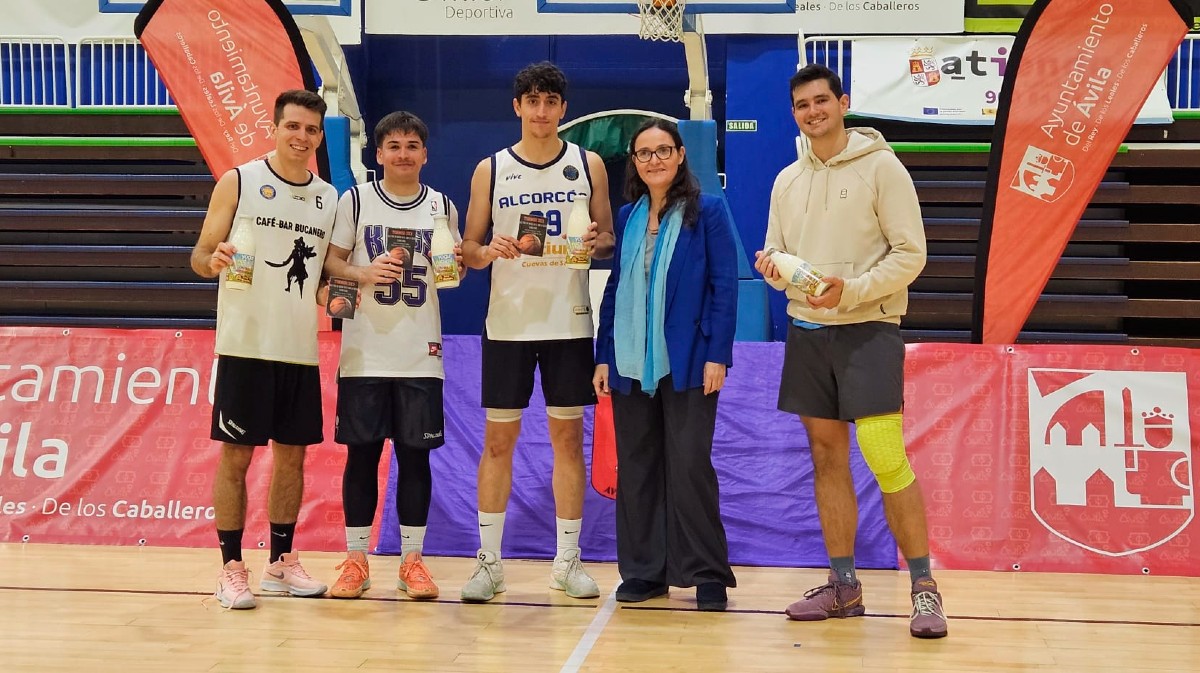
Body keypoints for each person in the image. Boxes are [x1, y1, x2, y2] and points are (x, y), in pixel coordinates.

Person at [754, 64, 946, 638]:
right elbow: (776, 251)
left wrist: (853, 291)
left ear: (842, 103)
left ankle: (925, 589)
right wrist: (772, 269)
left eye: (821, 102)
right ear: (795, 113)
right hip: (808, 332)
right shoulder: (786, 180)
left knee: (886, 456)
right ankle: (844, 587)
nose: (812, 112)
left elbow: (911, 255)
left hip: (870, 328)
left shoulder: (883, 168)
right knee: (826, 459)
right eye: (802, 105)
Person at [458, 61, 615, 602]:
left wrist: (592, 242)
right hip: (508, 324)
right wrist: (487, 250)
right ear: (517, 107)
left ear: (563, 109)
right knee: (498, 442)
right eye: (533, 101)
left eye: (551, 102)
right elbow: (468, 252)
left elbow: (609, 239)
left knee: (568, 440)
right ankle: (489, 564)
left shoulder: (587, 162)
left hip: (568, 321)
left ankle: (566, 563)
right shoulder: (491, 169)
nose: (542, 111)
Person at [191, 89, 337, 609]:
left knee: (292, 459)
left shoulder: (328, 198)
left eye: (311, 130)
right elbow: (201, 254)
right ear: (275, 127)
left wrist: (344, 292)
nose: (301, 137)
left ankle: (280, 562)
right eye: (293, 126)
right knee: (236, 458)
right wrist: (214, 259)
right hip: (245, 346)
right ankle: (231, 567)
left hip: (298, 348)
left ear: (320, 137)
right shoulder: (240, 181)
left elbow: (324, 276)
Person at [593, 119, 738, 612]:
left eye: (663, 150)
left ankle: (706, 573)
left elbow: (725, 286)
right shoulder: (630, 215)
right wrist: (604, 355)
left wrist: (718, 354)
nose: (654, 159)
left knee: (691, 464)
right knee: (637, 467)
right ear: (634, 162)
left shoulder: (709, 211)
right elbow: (615, 290)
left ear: (680, 156)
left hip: (691, 360)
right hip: (631, 361)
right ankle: (643, 571)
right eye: (644, 153)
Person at [321, 111, 465, 600]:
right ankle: (356, 559)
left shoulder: (443, 205)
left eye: (412, 145)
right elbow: (332, 262)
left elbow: (452, 273)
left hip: (421, 353)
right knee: (361, 458)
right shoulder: (355, 200)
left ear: (425, 153)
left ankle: (412, 562)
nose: (403, 154)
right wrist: (363, 273)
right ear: (378, 153)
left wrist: (459, 266)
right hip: (364, 351)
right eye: (394, 146)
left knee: (415, 458)